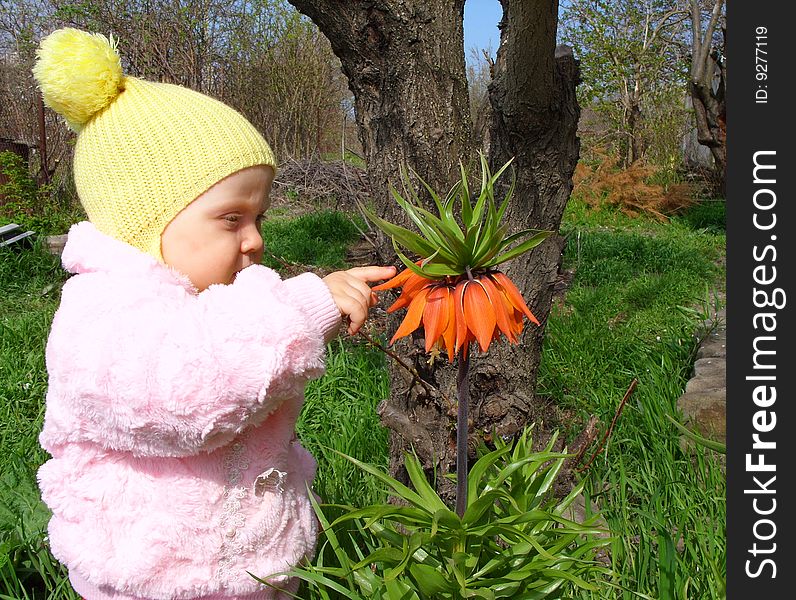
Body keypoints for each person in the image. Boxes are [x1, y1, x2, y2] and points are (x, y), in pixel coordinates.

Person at [32, 27, 395, 600]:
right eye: (231, 219)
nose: (253, 241)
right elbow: (188, 390)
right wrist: (301, 308)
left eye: (260, 219)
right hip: (153, 583)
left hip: (252, 573)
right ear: (143, 222)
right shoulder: (102, 316)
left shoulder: (203, 305)